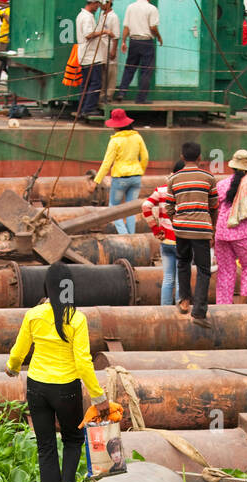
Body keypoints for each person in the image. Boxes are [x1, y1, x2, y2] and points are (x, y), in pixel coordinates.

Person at [5, 262, 109, 482]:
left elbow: (19, 351)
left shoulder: (34, 315)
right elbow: (84, 362)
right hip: (66, 389)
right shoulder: (77, 319)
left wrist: (12, 368)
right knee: (73, 439)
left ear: (47, 288)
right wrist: (99, 397)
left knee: (46, 447)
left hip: (37, 387)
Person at [163, 140, 217, 325]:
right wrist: (213, 230)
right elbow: (213, 207)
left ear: (182, 157)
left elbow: (168, 206)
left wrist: (176, 222)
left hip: (181, 229)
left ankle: (184, 301)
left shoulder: (173, 179)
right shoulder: (209, 178)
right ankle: (199, 312)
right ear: (200, 158)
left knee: (183, 264)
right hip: (202, 229)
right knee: (203, 270)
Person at [214, 149, 247, 306]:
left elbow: (213, 207)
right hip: (242, 234)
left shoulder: (221, 185)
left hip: (221, 234)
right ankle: (241, 305)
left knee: (225, 272)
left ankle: (224, 307)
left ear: (232, 166)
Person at [91, 108, 148, 234]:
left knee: (114, 208)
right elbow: (145, 157)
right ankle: (132, 236)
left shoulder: (115, 141)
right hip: (136, 178)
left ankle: (124, 235)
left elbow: (107, 163)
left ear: (115, 126)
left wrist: (97, 180)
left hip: (120, 178)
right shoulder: (137, 137)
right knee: (131, 209)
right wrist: (140, 171)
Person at [142, 158, 184, 305]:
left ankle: (164, 311)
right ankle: (180, 312)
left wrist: (156, 229)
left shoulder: (161, 190)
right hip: (182, 241)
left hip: (166, 241)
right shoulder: (186, 192)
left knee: (168, 278)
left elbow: (145, 207)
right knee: (181, 280)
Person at [116, 0, 162, 104]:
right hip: (146, 41)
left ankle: (122, 92)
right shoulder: (152, 9)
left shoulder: (130, 7)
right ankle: (141, 98)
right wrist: (159, 37)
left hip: (134, 41)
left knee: (129, 68)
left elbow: (126, 26)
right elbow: (153, 27)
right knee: (146, 71)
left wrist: (124, 41)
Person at [75, 0, 107, 119]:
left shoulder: (81, 15)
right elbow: (88, 34)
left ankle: (81, 108)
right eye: (98, 4)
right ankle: (88, 109)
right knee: (95, 83)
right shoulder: (88, 17)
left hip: (84, 55)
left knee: (86, 84)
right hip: (91, 56)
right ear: (94, 3)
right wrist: (104, 31)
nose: (98, 7)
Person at [99, 0, 121, 100]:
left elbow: (116, 35)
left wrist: (114, 50)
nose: (100, 6)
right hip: (101, 48)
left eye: (102, 4)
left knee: (111, 72)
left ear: (108, 3)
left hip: (110, 46)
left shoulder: (114, 17)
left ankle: (109, 95)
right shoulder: (101, 16)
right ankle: (102, 94)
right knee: (103, 73)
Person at [0, 0, 11, 80]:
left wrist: (5, 16)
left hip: (4, 39)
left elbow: (11, 21)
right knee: (1, 60)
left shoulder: (8, 11)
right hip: (3, 37)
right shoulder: (6, 10)